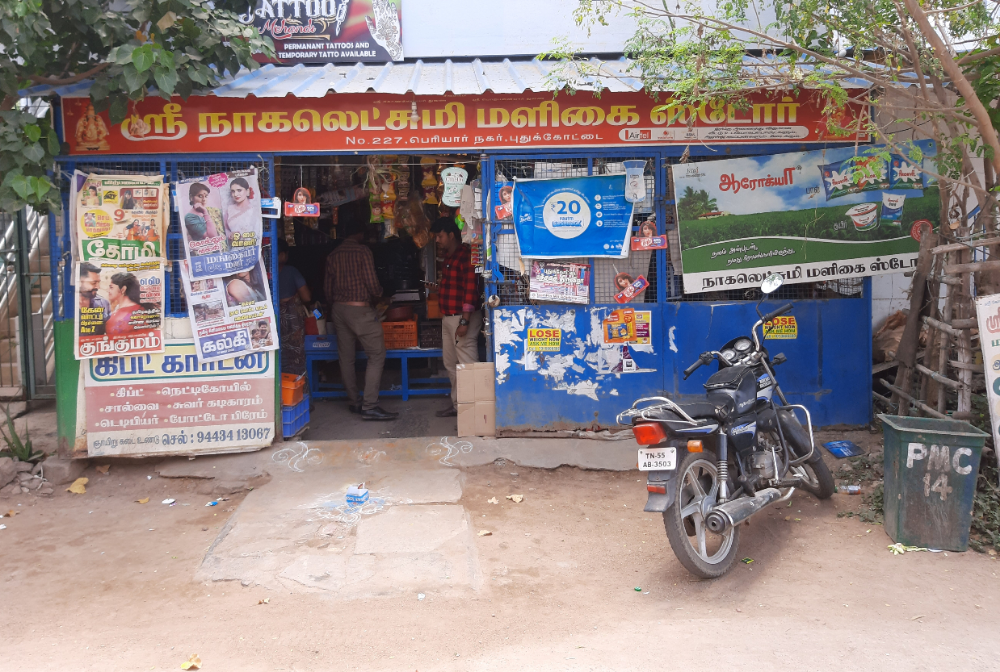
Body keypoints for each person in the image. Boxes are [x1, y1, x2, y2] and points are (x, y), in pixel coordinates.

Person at [324, 219, 397, 421]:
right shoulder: (362, 251)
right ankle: (370, 406)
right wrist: (380, 295)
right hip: (360, 311)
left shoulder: (333, 255)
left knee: (346, 358)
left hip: (339, 310)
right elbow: (372, 283)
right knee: (376, 355)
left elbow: (327, 290)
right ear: (360, 235)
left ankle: (354, 402)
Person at [428, 216, 482, 418]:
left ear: (451, 235)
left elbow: (470, 291)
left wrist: (464, 321)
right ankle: (459, 405)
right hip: (449, 317)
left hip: (462, 318)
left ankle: (475, 410)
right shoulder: (450, 257)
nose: (437, 240)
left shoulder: (465, 256)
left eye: (440, 236)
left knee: (467, 364)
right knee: (451, 363)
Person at [278, 238, 311, 375]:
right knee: (295, 355)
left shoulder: (262, 275)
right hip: (292, 324)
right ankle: (297, 384)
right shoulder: (291, 271)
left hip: (273, 321)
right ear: (283, 255)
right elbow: (307, 297)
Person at [78, 262, 109, 335]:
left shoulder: (103, 303)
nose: (98, 287)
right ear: (79, 282)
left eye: (98, 282)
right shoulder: (68, 304)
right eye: (93, 283)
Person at [224, 177, 258, 242]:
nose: (235, 194)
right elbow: (224, 229)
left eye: (239, 190)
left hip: (251, 246)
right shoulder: (229, 209)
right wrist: (230, 234)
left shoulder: (254, 209)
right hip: (234, 248)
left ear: (247, 191)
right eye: (233, 191)